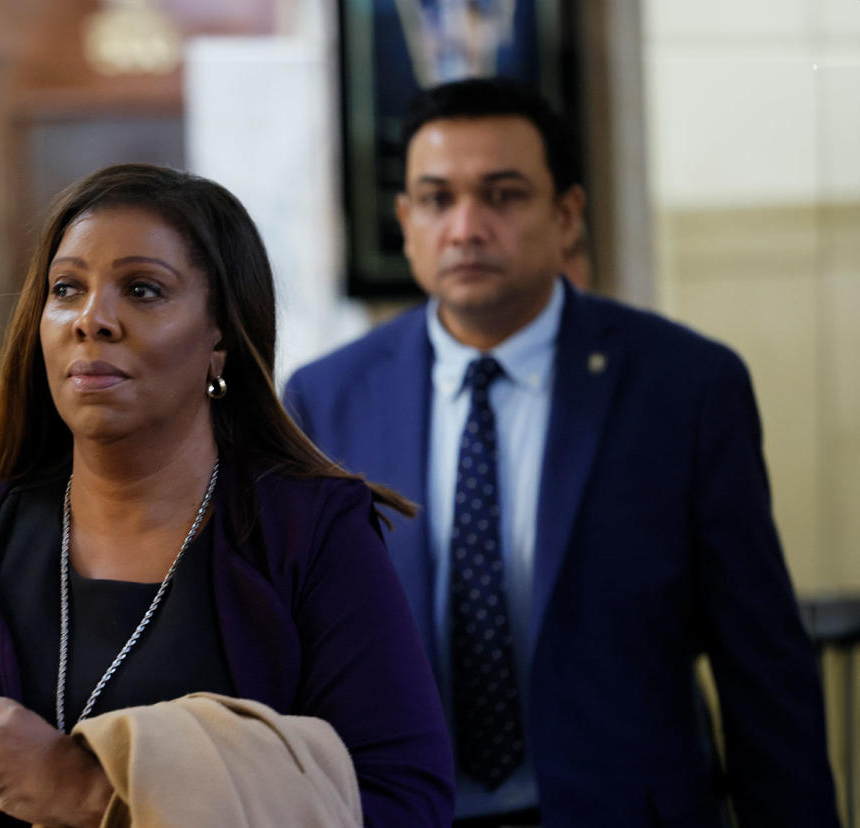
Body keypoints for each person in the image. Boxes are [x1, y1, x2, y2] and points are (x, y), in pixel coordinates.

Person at [284, 77, 839, 827]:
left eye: (504, 195)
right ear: (406, 220)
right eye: (438, 199)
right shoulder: (327, 399)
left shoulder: (683, 387)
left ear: (567, 214)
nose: (467, 226)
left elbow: (761, 665)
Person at [0, 163, 455, 827]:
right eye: (66, 289)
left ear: (219, 338)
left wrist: (92, 792)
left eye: (142, 290)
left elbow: (405, 804)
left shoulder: (309, 536)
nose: (93, 319)